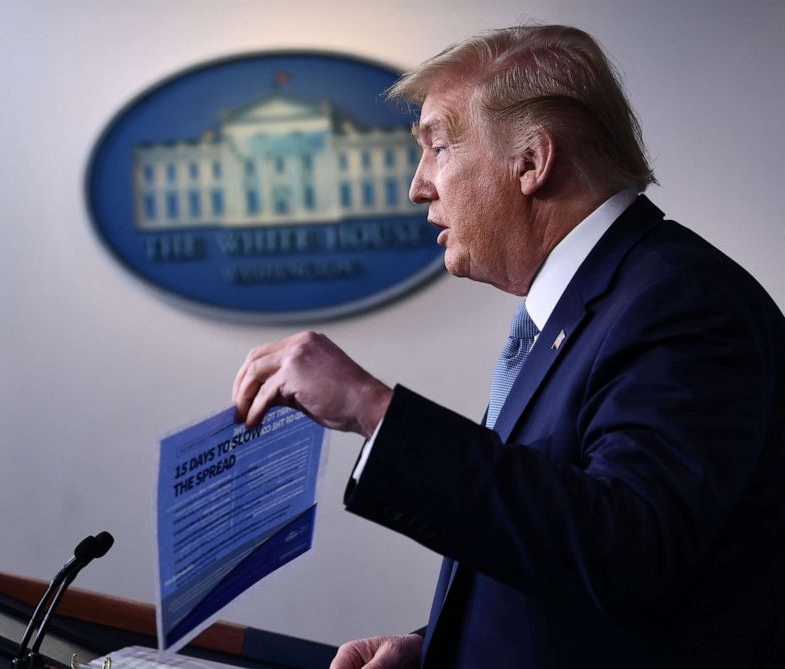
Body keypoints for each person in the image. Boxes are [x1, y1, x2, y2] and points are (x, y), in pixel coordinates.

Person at [231, 24, 785, 669]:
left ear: (531, 161)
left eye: (437, 145)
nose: (418, 186)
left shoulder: (679, 301)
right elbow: (555, 542)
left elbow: (626, 551)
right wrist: (440, 650)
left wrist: (370, 407)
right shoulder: (590, 306)